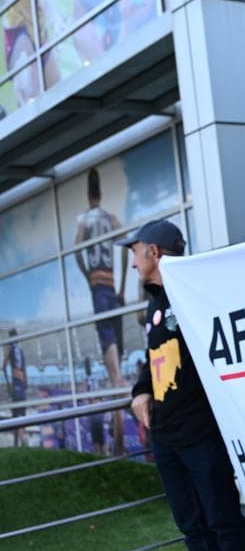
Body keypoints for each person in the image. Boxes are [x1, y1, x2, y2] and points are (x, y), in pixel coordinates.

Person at [122, 220, 245, 551]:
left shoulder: (195, 293)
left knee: (221, 516)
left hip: (201, 429)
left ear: (156, 253)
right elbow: (155, 358)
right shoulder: (154, 303)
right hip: (166, 433)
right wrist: (140, 391)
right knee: (190, 522)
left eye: (136, 252)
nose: (132, 263)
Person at [75, 166, 127, 453]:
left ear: (87, 192)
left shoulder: (86, 219)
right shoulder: (111, 218)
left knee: (115, 377)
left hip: (98, 286)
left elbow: (75, 250)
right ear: (101, 192)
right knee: (114, 372)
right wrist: (121, 282)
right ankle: (118, 443)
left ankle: (118, 444)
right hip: (111, 285)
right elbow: (126, 241)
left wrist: (86, 276)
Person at [3, 329, 27, 446]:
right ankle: (21, 443)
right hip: (21, 385)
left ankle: (19, 443)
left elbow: (4, 365)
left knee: (17, 416)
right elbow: (24, 369)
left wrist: (8, 383)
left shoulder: (11, 348)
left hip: (17, 384)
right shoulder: (20, 350)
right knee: (21, 415)